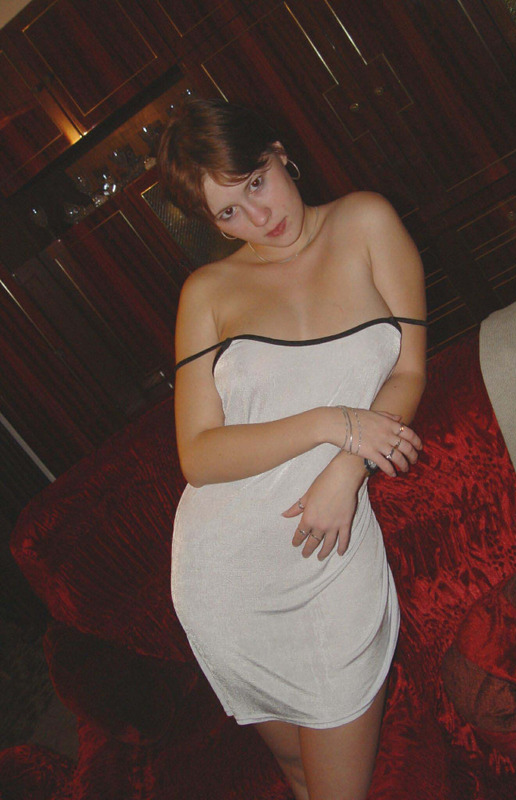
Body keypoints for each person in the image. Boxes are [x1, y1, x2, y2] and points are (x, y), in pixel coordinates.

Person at [157, 98, 427, 800]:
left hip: (332, 553)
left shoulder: (365, 221)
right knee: (303, 778)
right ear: (214, 225)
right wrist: (331, 423)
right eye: (229, 211)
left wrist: (348, 469)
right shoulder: (207, 291)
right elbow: (199, 455)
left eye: (256, 182)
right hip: (227, 575)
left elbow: (409, 370)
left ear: (278, 154)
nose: (258, 215)